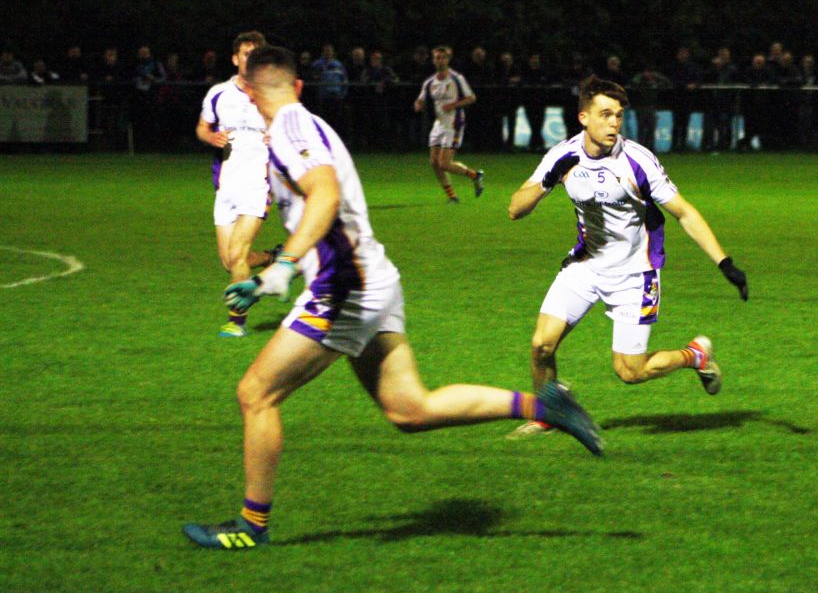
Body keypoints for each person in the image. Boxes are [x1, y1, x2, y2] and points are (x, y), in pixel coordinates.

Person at [183, 45, 602, 550]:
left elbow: (325, 194)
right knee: (410, 410)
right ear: (298, 84)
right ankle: (547, 406)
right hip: (373, 281)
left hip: (346, 290)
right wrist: (279, 268)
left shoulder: (292, 129)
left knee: (256, 393)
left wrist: (285, 266)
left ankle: (251, 527)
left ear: (247, 93)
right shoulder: (305, 124)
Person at [505, 75, 749, 438]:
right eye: (605, 115)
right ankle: (549, 414)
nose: (614, 123)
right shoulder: (562, 155)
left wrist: (724, 262)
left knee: (630, 372)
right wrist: (545, 183)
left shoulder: (637, 161)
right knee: (541, 345)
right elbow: (514, 209)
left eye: (618, 115)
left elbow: (684, 212)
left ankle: (695, 355)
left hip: (635, 275)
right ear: (583, 117)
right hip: (585, 266)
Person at [196, 31, 278, 338]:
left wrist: (278, 136)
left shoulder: (272, 94)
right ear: (235, 58)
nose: (250, 60)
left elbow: (292, 129)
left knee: (239, 256)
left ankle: (236, 321)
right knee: (229, 260)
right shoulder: (219, 94)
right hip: (225, 185)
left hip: (258, 185)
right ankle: (274, 258)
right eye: (245, 54)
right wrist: (211, 137)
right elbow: (202, 128)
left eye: (256, 55)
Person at [413, 45, 483, 203]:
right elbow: (420, 99)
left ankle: (475, 176)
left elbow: (471, 98)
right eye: (437, 57)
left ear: (448, 59)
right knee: (434, 162)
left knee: (444, 163)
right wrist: (418, 104)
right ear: (433, 60)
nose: (440, 60)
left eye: (443, 57)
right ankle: (452, 196)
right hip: (439, 124)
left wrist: (454, 105)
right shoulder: (430, 82)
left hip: (454, 123)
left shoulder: (456, 78)